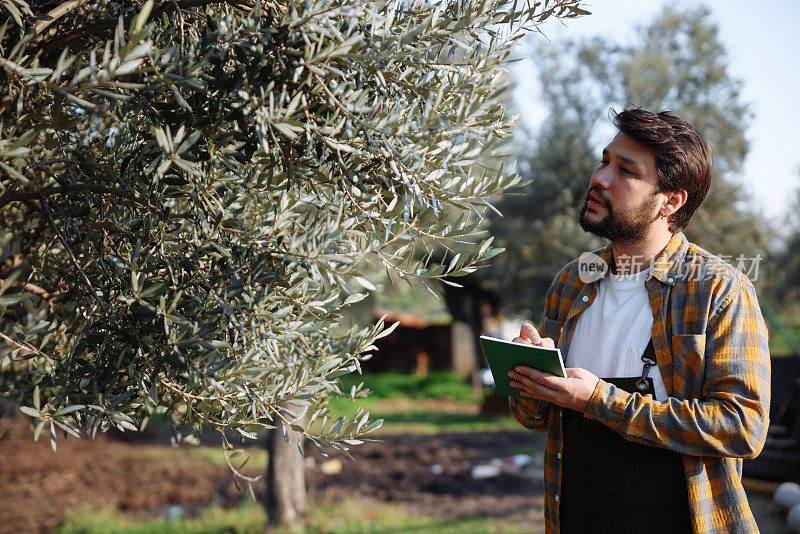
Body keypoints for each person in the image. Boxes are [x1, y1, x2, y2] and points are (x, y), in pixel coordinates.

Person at [507, 108, 770, 534]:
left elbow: (742, 428)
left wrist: (599, 400)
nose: (600, 177)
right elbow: (537, 419)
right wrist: (529, 377)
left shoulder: (718, 290)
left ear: (671, 200)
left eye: (626, 171)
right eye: (604, 160)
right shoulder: (571, 283)